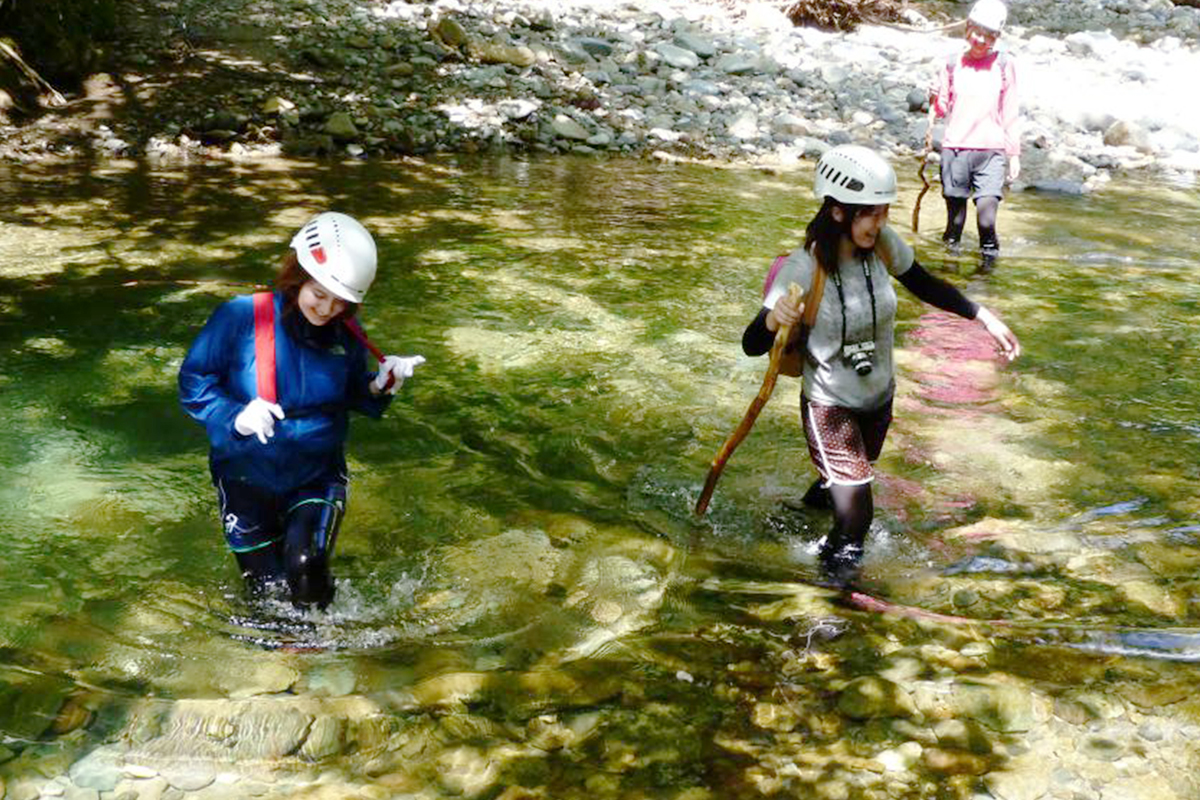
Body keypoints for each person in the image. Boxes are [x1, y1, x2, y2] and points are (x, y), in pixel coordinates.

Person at [742, 145, 1020, 585]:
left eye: (884, 211)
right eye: (869, 213)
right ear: (837, 212)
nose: (880, 222)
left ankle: (798, 514)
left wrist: (981, 316)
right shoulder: (801, 268)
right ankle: (833, 605)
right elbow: (751, 343)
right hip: (829, 405)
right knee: (857, 522)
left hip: (878, 397)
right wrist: (775, 318)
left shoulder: (882, 245)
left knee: (848, 482)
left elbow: (924, 284)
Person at [179, 212, 425, 609]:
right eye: (319, 293)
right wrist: (234, 416)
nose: (327, 309)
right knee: (266, 591)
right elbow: (193, 383)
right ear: (297, 277)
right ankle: (279, 659)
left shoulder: (347, 333)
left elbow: (351, 394)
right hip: (245, 476)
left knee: (306, 563)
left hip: (316, 473)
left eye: (340, 301)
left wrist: (380, 384)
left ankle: (320, 653)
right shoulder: (240, 316)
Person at [928, 0, 1020, 265]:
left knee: (986, 220)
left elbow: (1010, 110)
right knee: (954, 225)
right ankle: (948, 276)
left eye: (987, 35)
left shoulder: (1004, 64)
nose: (980, 39)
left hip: (991, 153)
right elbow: (942, 108)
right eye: (976, 31)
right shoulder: (950, 64)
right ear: (967, 28)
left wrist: (1013, 154)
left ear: (996, 37)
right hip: (955, 150)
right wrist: (934, 95)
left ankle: (986, 280)